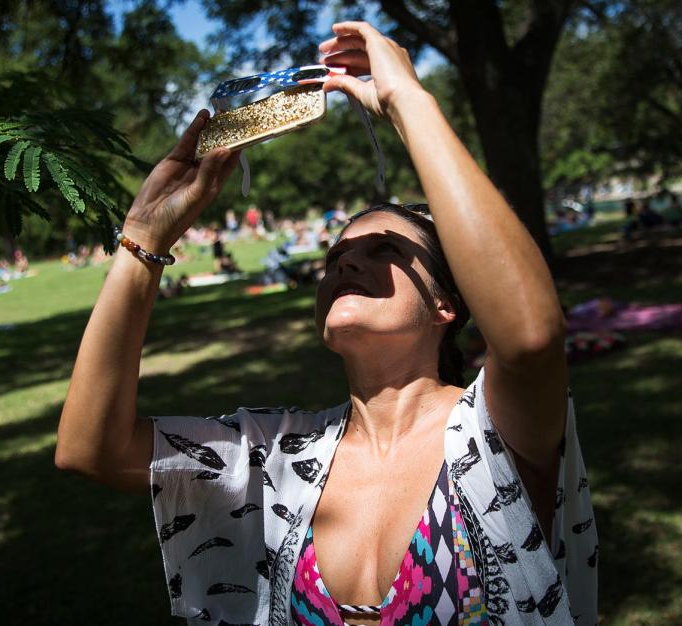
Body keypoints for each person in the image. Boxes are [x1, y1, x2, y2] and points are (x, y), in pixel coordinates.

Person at [55, 22, 596, 626]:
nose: (347, 262)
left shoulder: (497, 432)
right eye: (335, 258)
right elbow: (91, 449)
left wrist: (406, 101)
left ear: (448, 303)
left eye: (383, 251)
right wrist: (145, 238)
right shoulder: (274, 456)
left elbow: (530, 337)